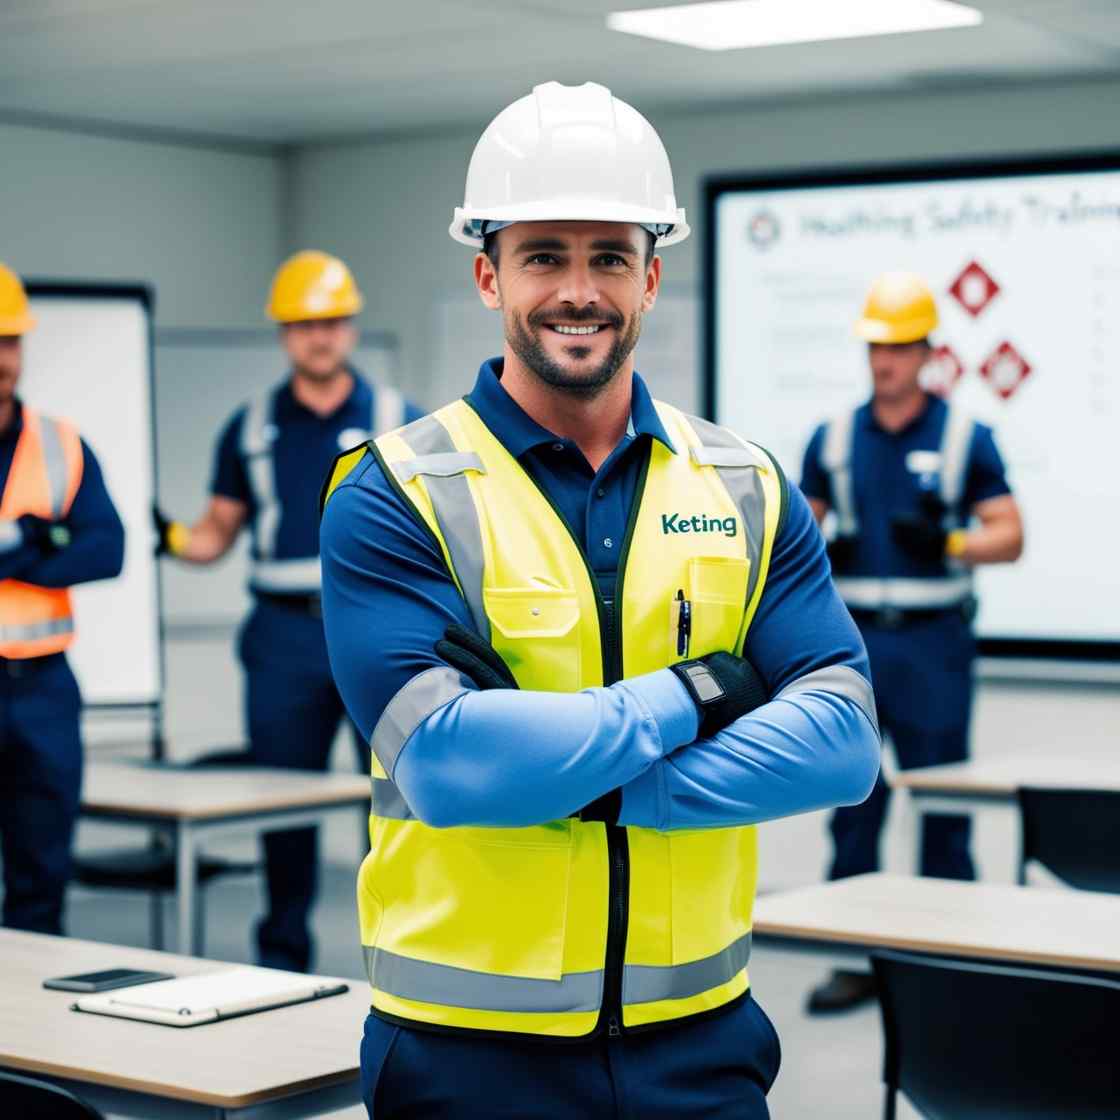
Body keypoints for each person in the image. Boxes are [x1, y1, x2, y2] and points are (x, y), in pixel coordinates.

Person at [319, 82, 881, 1119]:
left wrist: (577, 779)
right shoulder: (395, 489)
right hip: (467, 1056)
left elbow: (843, 743)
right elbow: (446, 764)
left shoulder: (745, 483)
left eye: (609, 257)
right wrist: (692, 693)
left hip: (701, 1043)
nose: (577, 290)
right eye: (543, 255)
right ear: (488, 274)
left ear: (651, 278)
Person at [154, 251, 422, 972]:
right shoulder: (249, 429)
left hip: (375, 628)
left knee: (400, 797)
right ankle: (280, 961)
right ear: (283, 334)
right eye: (305, 324)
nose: (320, 337)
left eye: (332, 321)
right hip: (280, 638)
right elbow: (218, 530)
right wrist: (170, 538)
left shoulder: (402, 420)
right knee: (281, 802)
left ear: (351, 327)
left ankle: (400, 951)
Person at [801, 272, 1024, 1014]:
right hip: (852, 650)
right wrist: (821, 544)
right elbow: (797, 533)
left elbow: (1010, 534)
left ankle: (945, 968)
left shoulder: (966, 437)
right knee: (854, 805)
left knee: (942, 810)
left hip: (934, 650)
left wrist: (950, 539)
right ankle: (854, 960)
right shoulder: (831, 438)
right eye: (876, 348)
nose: (885, 362)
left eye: (898, 347)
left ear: (928, 350)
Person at [0, 261, 125, 934]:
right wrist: (40, 540)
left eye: (11, 340)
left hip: (43, 689)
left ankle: (20, 1035)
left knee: (42, 877)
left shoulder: (60, 444)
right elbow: (66, 542)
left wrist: (18, 548)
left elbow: (107, 549)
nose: (3, 357)